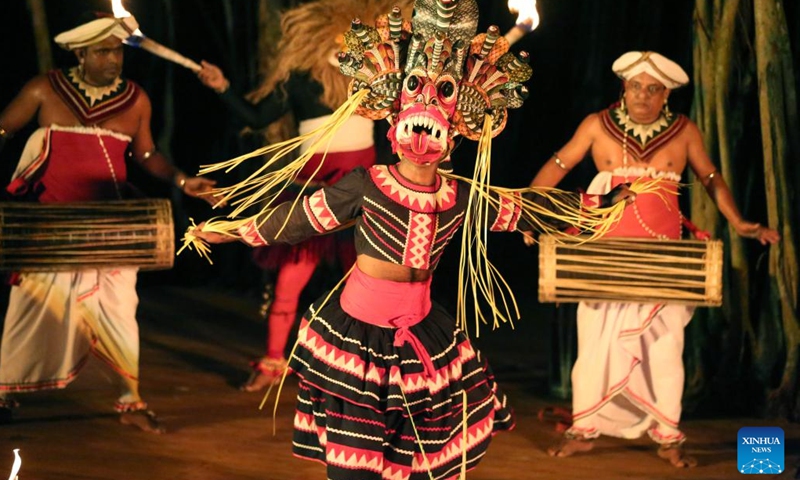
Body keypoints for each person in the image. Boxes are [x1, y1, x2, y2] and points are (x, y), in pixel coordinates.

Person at [191, 1, 634, 477]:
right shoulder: (366, 184)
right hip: (358, 336)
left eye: (437, 122)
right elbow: (299, 219)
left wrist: (595, 209)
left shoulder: (459, 195)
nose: (424, 137)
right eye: (414, 114)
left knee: (415, 458)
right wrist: (235, 229)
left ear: (454, 135)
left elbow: (525, 207)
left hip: (422, 330)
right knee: (355, 463)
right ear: (395, 122)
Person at [527, 51, 780, 467]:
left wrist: (738, 222)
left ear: (666, 95)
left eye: (653, 89)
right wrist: (531, 215)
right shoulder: (596, 126)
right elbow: (557, 166)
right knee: (594, 345)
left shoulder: (683, 132)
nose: (643, 95)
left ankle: (668, 435)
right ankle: (584, 430)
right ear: (623, 89)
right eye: (636, 86)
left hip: (663, 263)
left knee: (664, 347)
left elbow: (710, 177)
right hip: (605, 258)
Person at [0, 12, 216, 433]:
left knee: (120, 308)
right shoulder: (44, 89)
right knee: (32, 307)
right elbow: (4, 129)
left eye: (116, 50)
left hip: (110, 223)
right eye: (102, 52)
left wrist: (182, 179)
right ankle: (4, 390)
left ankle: (130, 398)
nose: (112, 59)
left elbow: (147, 155)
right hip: (52, 225)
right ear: (80, 53)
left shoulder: (135, 100)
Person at [195, 0, 411, 392]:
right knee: (287, 285)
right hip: (310, 196)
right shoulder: (298, 79)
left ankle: (372, 369)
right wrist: (222, 86)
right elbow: (258, 118)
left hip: (359, 202)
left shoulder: (374, 79)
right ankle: (273, 363)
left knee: (366, 286)